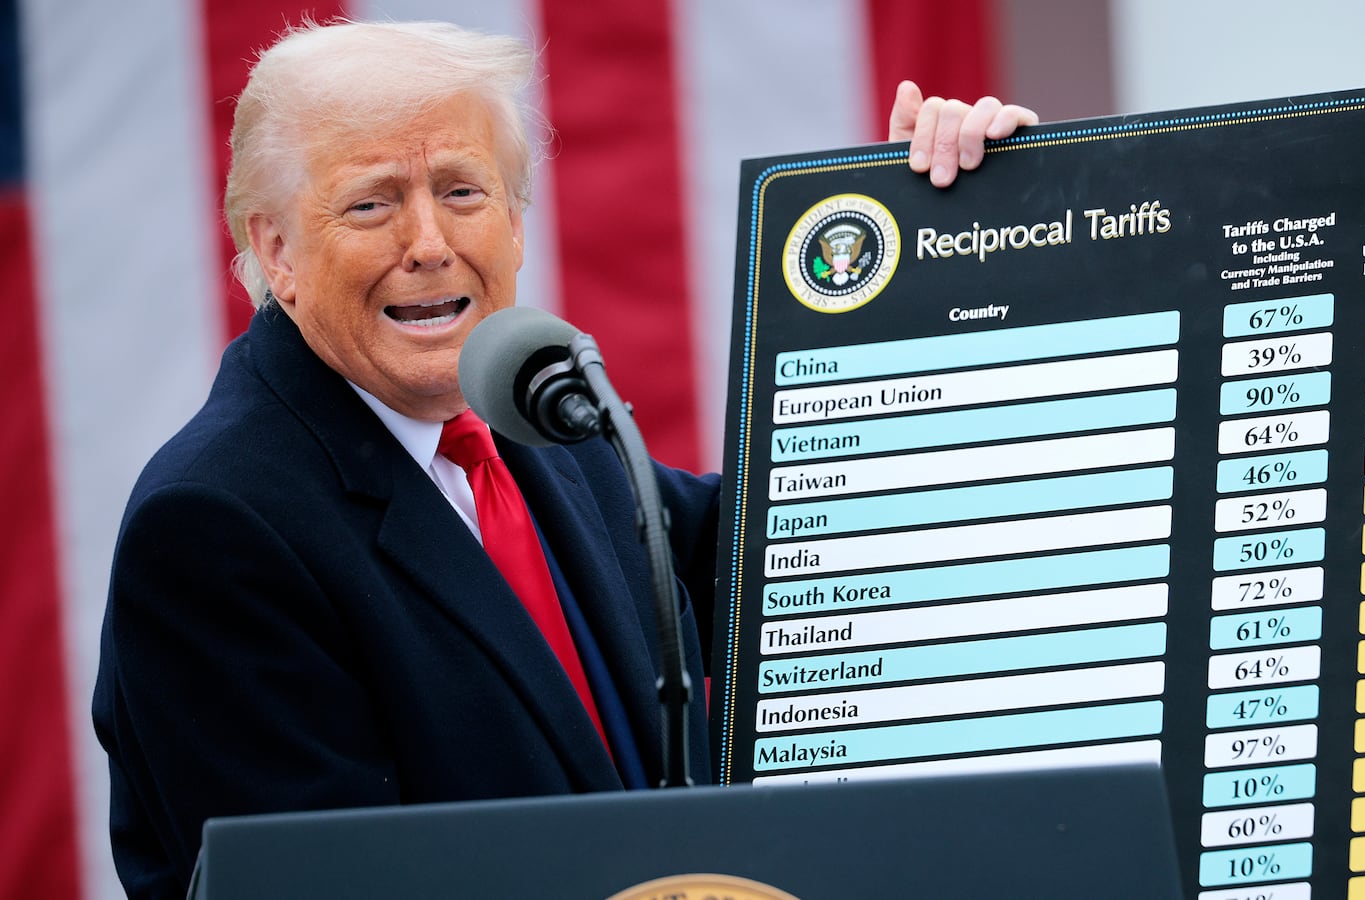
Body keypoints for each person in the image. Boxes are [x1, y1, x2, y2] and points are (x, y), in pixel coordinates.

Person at [92, 19, 1039, 899]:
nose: (429, 244)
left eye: (462, 191)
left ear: (513, 217)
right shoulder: (213, 528)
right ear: (276, 249)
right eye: (372, 202)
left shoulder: (534, 412)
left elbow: (795, 555)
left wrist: (945, 248)